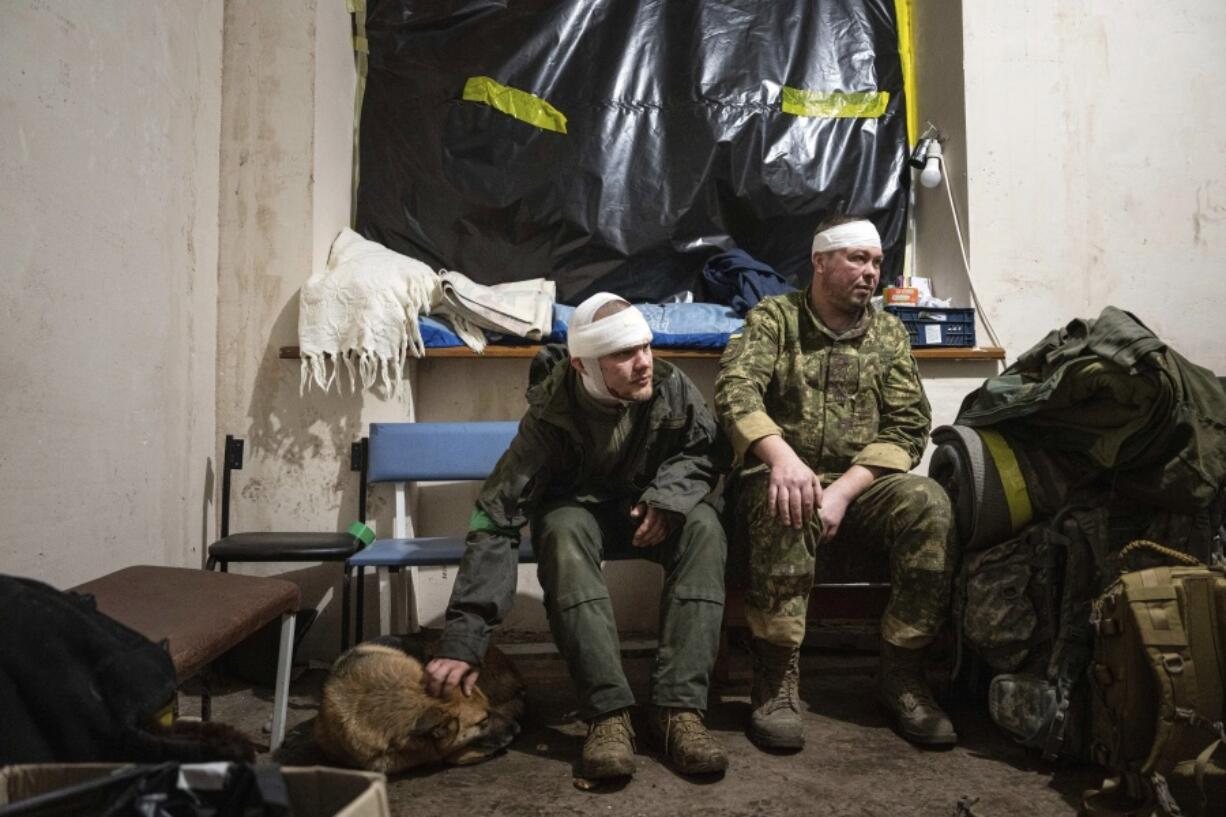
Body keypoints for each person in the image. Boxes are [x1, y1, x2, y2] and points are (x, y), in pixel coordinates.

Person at [424, 293, 729, 780]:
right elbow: (495, 515)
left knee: (706, 527)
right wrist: (464, 637)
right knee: (561, 531)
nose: (644, 363)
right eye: (625, 354)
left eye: (646, 347)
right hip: (578, 517)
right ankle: (607, 715)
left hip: (649, 511)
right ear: (585, 365)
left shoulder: (670, 386)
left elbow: (708, 449)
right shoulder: (551, 414)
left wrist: (669, 499)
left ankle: (678, 711)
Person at [713, 215, 956, 750]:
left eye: (875, 262)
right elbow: (735, 390)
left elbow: (909, 423)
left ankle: (902, 676)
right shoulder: (774, 319)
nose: (870, 273)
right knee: (790, 500)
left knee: (930, 504)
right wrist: (781, 457)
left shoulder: (889, 332)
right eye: (856, 259)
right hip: (778, 475)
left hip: (861, 484)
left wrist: (845, 490)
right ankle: (775, 681)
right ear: (820, 262)